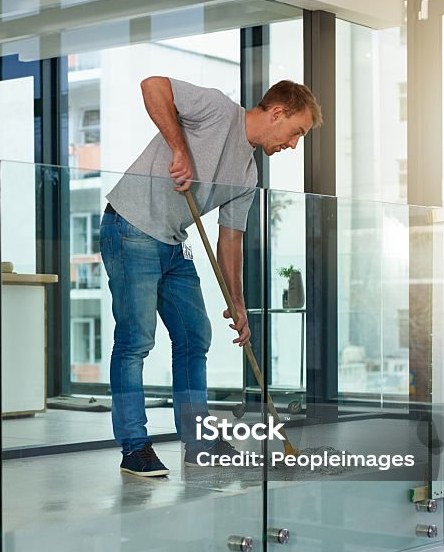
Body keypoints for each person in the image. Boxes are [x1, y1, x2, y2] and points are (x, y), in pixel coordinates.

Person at [102, 77, 322, 477]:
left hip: (172, 240)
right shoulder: (219, 109)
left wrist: (237, 302)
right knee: (136, 340)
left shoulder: (248, 173)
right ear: (277, 113)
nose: (293, 144)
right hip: (131, 226)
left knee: (194, 336)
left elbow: (231, 240)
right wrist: (179, 149)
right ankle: (134, 447)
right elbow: (153, 86)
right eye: (296, 132)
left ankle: (198, 443)